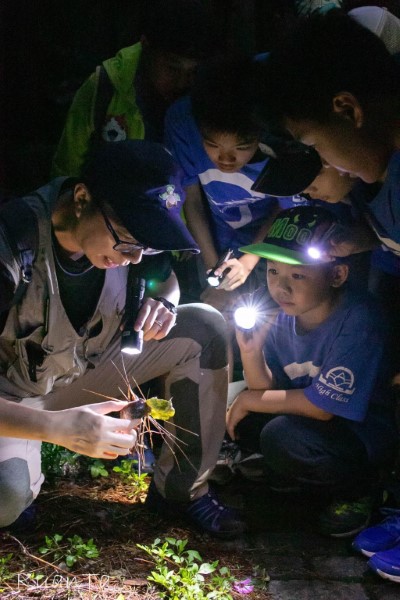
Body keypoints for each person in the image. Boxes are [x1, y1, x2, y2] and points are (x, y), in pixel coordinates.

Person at [0, 139, 245, 539]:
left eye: (145, 246)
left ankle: (181, 492)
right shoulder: (11, 246)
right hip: (11, 397)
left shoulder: (134, 239)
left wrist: (165, 302)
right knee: (5, 501)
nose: (135, 258)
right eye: (128, 241)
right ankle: (21, 483)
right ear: (82, 198)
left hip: (80, 371)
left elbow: (165, 278)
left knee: (204, 327)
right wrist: (54, 428)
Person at [225, 205, 397, 538]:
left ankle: (360, 491)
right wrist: (250, 351)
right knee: (234, 404)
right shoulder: (282, 313)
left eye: (298, 275)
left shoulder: (359, 319)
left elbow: (321, 408)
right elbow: (265, 386)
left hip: (359, 433)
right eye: (273, 272)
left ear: (337, 275)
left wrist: (248, 400)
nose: (281, 287)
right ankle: (293, 475)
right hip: (309, 417)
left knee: (279, 434)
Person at [165, 54, 281, 377]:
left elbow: (284, 208)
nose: (226, 159)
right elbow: (192, 202)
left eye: (242, 147)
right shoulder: (182, 123)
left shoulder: (280, 135)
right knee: (215, 317)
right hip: (214, 238)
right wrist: (212, 268)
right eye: (212, 146)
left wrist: (248, 262)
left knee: (265, 327)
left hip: (271, 243)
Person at [51, 0, 212, 178]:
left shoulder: (204, 96)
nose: (182, 82)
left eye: (193, 71)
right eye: (172, 68)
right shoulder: (106, 87)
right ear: (145, 45)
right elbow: (66, 170)